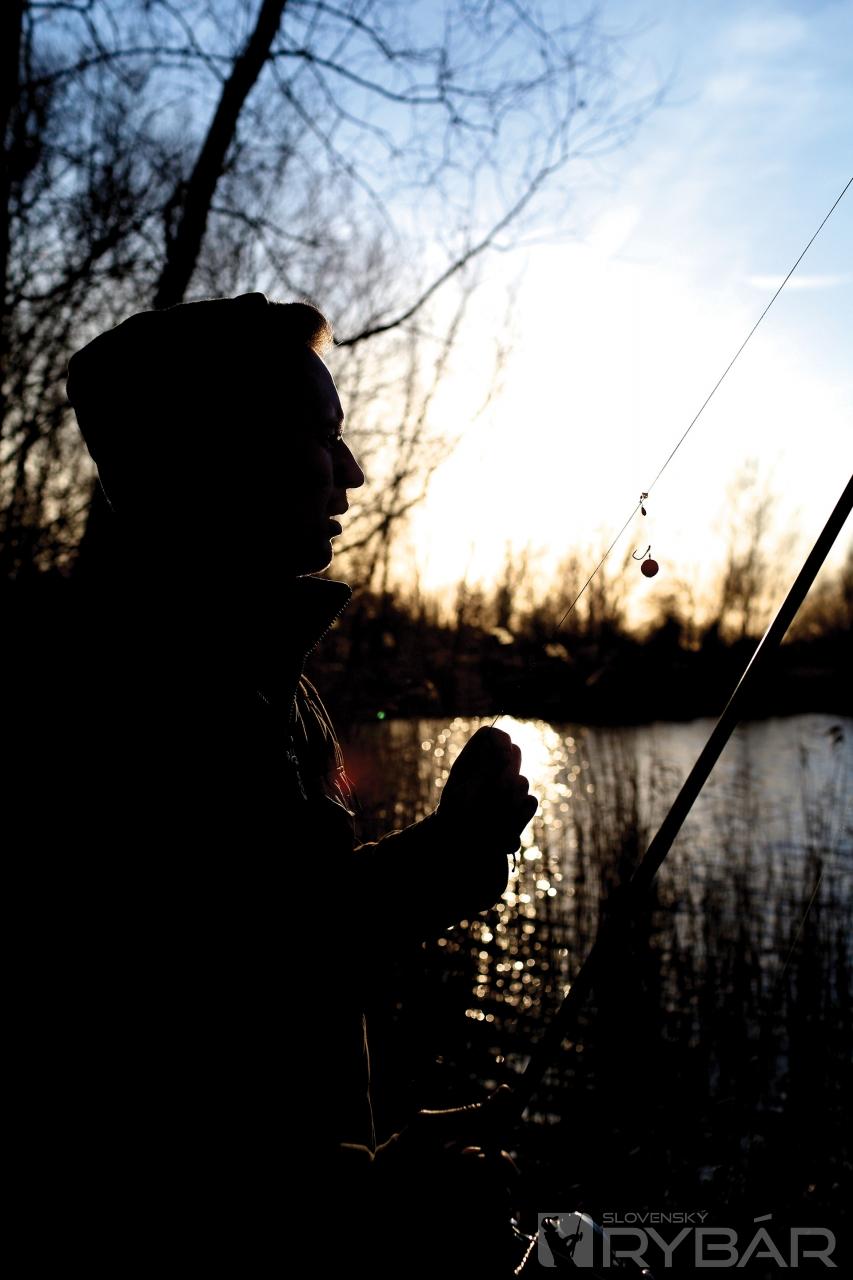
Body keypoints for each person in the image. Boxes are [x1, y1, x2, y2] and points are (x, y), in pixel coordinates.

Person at [30, 292, 537, 1269]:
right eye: (321, 434)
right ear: (218, 454)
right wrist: (376, 1202)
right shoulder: (109, 699)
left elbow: (271, 938)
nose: (351, 471)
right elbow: (143, 1094)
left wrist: (447, 854)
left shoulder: (264, 676)